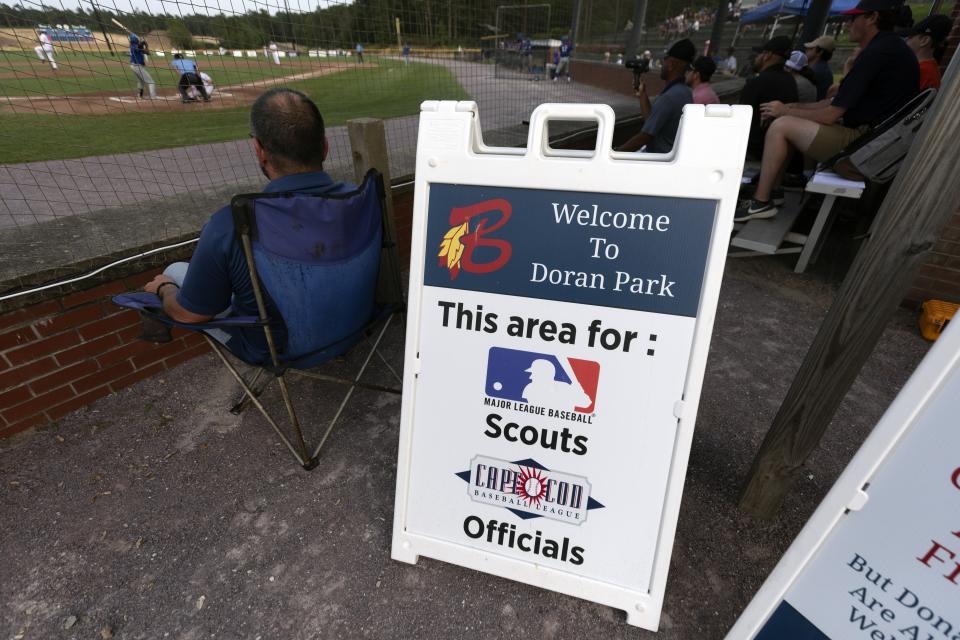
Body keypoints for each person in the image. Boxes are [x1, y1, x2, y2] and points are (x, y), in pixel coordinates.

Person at [143, 88, 355, 363]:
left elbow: (189, 315)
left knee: (174, 271)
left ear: (259, 151)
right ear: (325, 146)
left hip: (280, 349)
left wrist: (164, 289)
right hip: (351, 327)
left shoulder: (231, 224)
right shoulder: (356, 199)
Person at [736, 0, 919, 221]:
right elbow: (832, 101)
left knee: (781, 126)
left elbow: (830, 114)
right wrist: (790, 107)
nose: (848, 23)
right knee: (787, 121)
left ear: (872, 18)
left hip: (863, 149)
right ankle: (772, 192)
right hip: (871, 143)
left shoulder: (878, 53)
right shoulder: (887, 48)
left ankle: (760, 202)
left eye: (854, 17)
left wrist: (784, 113)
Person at [616, 38, 695, 154]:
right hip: (670, 157)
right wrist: (642, 95)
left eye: (665, 60)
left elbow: (644, 137)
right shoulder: (686, 92)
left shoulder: (669, 98)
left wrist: (616, 152)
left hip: (659, 159)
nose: (662, 64)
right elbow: (652, 122)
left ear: (671, 64)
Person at [739, 36, 798, 160]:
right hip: (779, 149)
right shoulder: (790, 80)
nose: (757, 57)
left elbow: (740, 120)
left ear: (767, 55)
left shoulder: (757, 82)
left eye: (760, 53)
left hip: (754, 151)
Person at [905, 14, 952, 90]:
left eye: (910, 37)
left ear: (924, 41)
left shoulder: (921, 72)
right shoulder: (929, 67)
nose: (906, 40)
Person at [803, 35, 836, 100]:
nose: (806, 50)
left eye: (811, 48)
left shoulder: (816, 71)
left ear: (820, 52)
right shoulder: (822, 68)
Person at [128, 34, 156, 100]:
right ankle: (153, 97)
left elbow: (147, 52)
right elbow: (138, 47)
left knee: (141, 81)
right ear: (135, 40)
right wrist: (142, 42)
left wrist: (146, 45)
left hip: (134, 66)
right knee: (151, 82)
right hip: (137, 66)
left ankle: (140, 95)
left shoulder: (134, 46)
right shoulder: (133, 46)